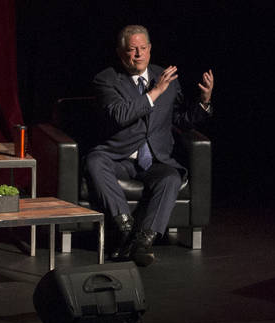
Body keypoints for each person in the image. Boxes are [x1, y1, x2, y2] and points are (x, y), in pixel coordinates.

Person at [84, 25, 213, 267]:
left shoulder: (165, 76)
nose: (138, 55)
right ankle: (126, 230)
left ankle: (143, 241)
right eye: (132, 50)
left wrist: (204, 103)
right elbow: (119, 115)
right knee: (94, 161)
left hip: (155, 160)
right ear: (121, 52)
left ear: (150, 49)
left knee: (171, 178)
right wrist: (154, 93)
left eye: (143, 49)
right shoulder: (106, 79)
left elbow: (178, 120)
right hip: (118, 158)